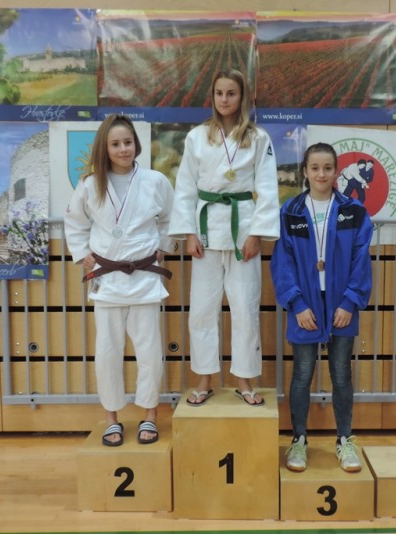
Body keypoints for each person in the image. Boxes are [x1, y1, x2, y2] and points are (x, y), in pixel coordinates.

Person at [169, 69, 279, 407]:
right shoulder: (197, 137)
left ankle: (245, 379)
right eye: (219, 93)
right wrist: (189, 232)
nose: (224, 99)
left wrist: (257, 234)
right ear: (213, 96)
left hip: (242, 229)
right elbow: (185, 187)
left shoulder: (258, 138)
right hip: (205, 231)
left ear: (242, 97)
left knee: (245, 308)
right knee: (202, 310)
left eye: (231, 93)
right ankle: (204, 378)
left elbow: (268, 188)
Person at [64, 114, 174, 447]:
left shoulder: (155, 181)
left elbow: (169, 218)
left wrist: (163, 246)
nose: (123, 149)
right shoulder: (90, 184)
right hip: (108, 278)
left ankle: (149, 414)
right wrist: (82, 252)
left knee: (149, 351)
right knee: (107, 352)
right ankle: (111, 417)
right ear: (105, 148)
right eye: (115, 144)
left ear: (136, 144)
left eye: (128, 142)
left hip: (144, 276)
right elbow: (75, 222)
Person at [270, 142, 373, 472]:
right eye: (314, 168)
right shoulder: (290, 212)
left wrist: (350, 302)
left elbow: (361, 260)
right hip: (305, 306)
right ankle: (298, 440)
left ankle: (345, 440)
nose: (321, 174)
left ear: (336, 171)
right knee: (302, 374)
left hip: (341, 304)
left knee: (341, 374)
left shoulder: (353, 212)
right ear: (305, 171)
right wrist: (297, 304)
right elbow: (282, 262)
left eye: (328, 168)